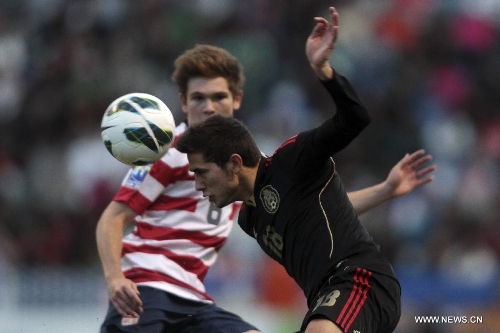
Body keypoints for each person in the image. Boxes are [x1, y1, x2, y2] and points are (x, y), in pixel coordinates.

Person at [96, 9, 435, 333]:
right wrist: (385, 191)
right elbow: (318, 211)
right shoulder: (245, 215)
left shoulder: (289, 159)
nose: (209, 107)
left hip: (357, 280)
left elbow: (354, 121)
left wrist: (324, 72)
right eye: (198, 98)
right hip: (311, 298)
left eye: (218, 97)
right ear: (183, 102)